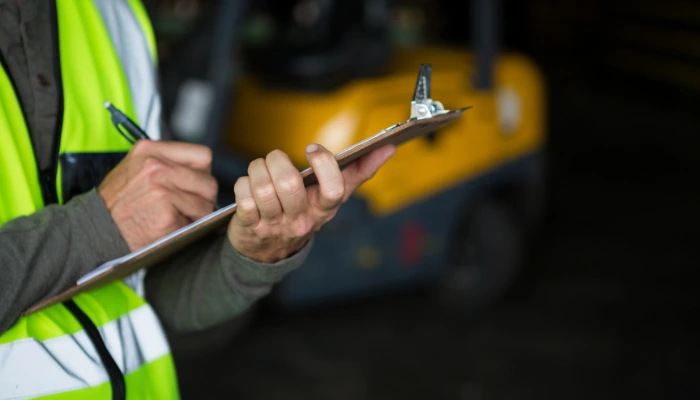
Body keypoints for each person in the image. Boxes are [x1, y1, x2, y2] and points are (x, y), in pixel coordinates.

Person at [0, 0, 395, 398]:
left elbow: (157, 300)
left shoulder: (113, 13)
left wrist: (254, 256)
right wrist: (95, 227)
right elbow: (103, 231)